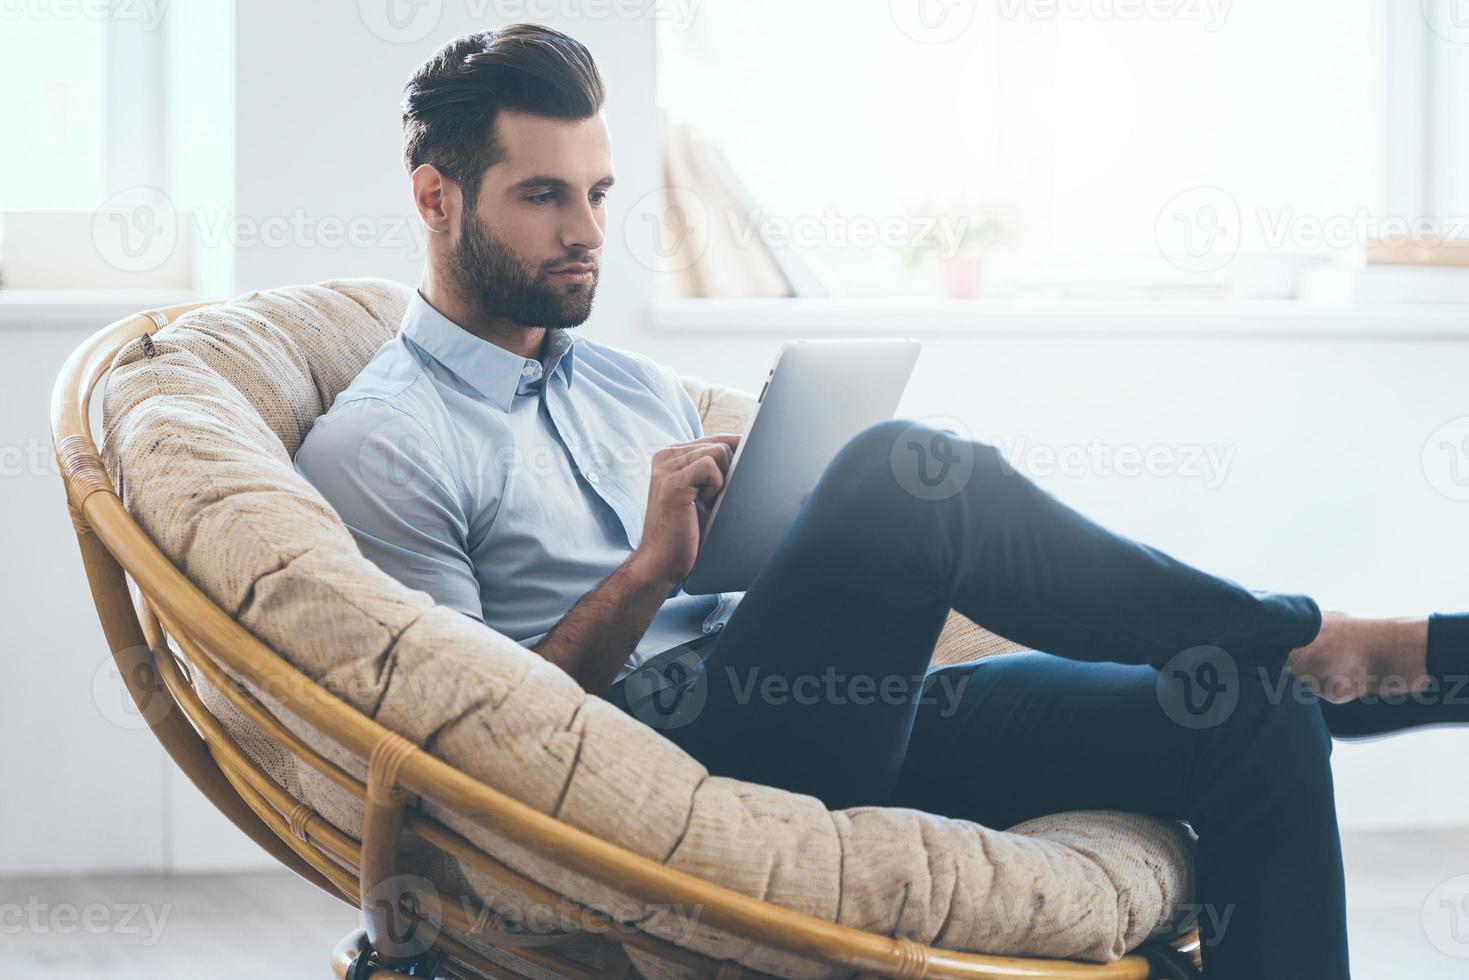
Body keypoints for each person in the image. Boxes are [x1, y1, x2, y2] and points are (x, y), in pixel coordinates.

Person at [293, 25, 1469, 980]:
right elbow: (470, 745)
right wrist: (646, 571)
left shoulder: (622, 379)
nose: (589, 232)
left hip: (818, 709)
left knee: (1249, 715)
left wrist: (775, 523)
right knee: (908, 468)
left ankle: (1281, 660)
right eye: (544, 195)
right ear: (435, 198)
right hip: (660, 761)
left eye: (598, 192)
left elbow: (742, 594)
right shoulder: (385, 444)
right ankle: (1309, 636)